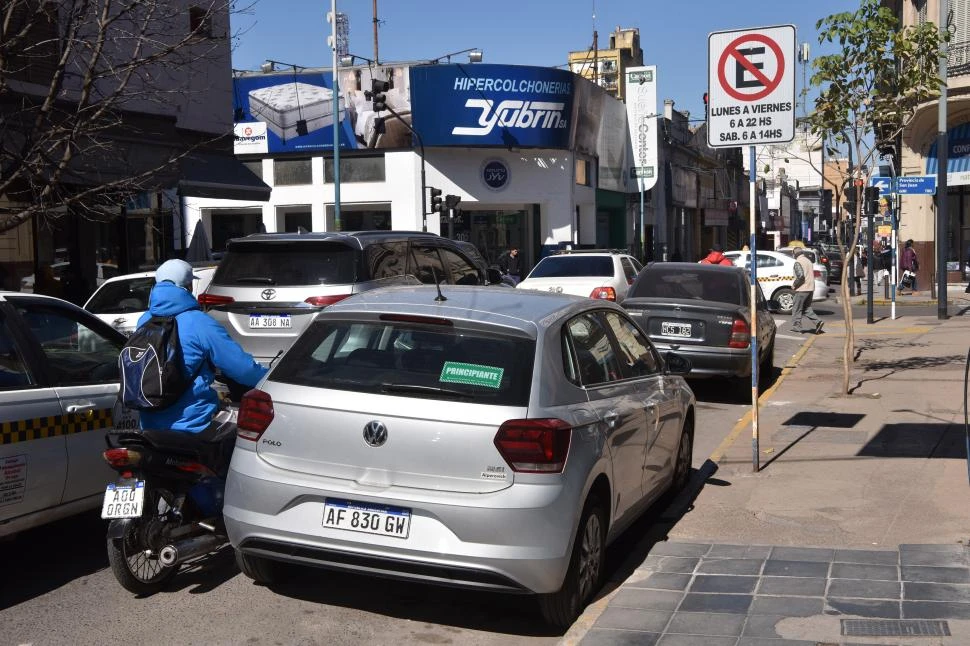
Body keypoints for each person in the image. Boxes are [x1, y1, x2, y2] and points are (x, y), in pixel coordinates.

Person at [136, 259, 267, 434]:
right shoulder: (199, 322)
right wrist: (270, 379)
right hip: (192, 426)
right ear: (187, 286)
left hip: (148, 425)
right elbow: (242, 370)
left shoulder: (144, 320)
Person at [791, 247, 823, 334]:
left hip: (802, 289)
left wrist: (794, 285)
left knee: (796, 308)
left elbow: (800, 276)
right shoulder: (808, 261)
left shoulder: (798, 262)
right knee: (806, 308)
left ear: (795, 254)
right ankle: (818, 322)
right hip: (810, 288)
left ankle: (796, 326)